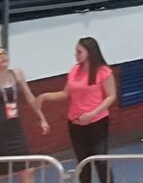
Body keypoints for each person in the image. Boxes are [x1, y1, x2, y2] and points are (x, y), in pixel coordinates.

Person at [37, 38, 115, 183]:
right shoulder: (74, 70)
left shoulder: (103, 71)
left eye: (79, 52)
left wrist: (93, 113)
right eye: (76, 51)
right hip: (75, 122)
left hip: (97, 122)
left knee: (100, 160)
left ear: (89, 53)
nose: (76, 55)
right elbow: (65, 93)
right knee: (82, 162)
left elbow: (111, 96)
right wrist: (46, 96)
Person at [0, 46, 49, 182]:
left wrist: (41, 118)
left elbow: (30, 97)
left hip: (15, 131)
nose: (2, 56)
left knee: (28, 170)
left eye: (4, 53)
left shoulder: (17, 73)